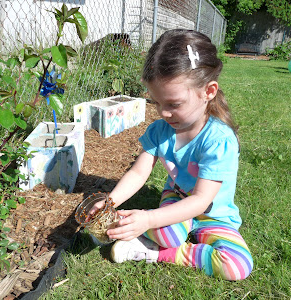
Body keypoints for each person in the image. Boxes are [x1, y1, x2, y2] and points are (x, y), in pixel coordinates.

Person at [103, 29, 253, 280]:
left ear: (208, 91)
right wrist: (110, 203)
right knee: (167, 233)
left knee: (237, 266)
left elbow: (201, 202)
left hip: (212, 214)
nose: (163, 113)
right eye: (157, 103)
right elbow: (139, 171)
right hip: (177, 199)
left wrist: (149, 219)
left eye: (173, 104)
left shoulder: (218, 140)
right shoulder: (160, 130)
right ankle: (148, 235)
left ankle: (153, 253)